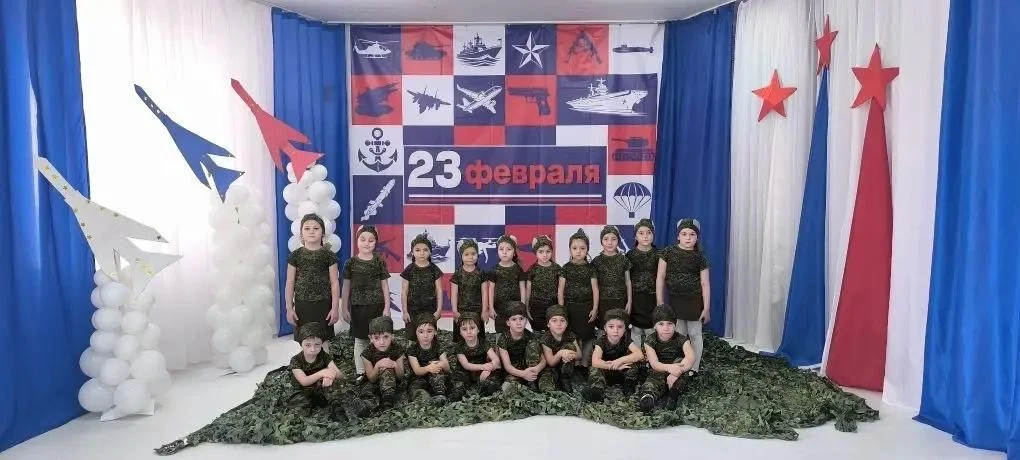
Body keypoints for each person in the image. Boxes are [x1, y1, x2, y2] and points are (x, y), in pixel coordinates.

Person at [284, 322, 371, 422]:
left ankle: (338, 410)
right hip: (301, 391)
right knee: (297, 414)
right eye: (308, 345)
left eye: (317, 345)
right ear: (301, 344)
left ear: (322, 343)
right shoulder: (296, 360)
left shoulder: (324, 355)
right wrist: (323, 372)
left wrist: (330, 375)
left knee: (336, 388)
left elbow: (340, 375)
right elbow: (304, 381)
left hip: (320, 390)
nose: (313, 349)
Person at [656, 218, 710, 372]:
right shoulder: (667, 252)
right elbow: (660, 276)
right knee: (679, 333)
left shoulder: (700, 257)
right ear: (678, 236)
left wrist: (706, 308)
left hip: (694, 301)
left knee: (694, 334)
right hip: (675, 300)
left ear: (697, 237)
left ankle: (694, 367)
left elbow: (705, 283)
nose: (688, 238)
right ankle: (681, 364)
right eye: (684, 234)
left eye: (692, 234)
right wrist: (659, 300)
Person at [341, 225, 391, 379]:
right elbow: (346, 286)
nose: (366, 243)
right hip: (358, 308)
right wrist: (344, 308)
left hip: (377, 307)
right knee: (361, 340)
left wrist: (387, 307)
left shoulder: (379, 261)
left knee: (377, 339)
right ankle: (361, 372)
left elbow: (384, 285)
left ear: (376, 242)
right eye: (362, 239)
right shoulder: (350, 263)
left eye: (371, 240)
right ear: (357, 241)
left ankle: (378, 369)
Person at [285, 214, 340, 352]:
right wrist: (289, 308)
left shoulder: (329, 255)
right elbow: (290, 282)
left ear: (323, 233)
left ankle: (325, 364)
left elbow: (334, 282)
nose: (311, 231)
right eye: (307, 228)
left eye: (316, 228)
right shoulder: (295, 255)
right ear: (301, 233)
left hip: (323, 305)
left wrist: (335, 308)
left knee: (323, 342)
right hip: (302, 305)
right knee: (305, 341)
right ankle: (306, 364)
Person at [637, 305, 695, 412]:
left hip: (677, 370)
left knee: (681, 362)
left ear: (675, 325)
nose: (666, 328)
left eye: (670, 324)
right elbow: (654, 364)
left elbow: (690, 357)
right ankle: (648, 398)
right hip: (659, 369)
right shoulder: (650, 341)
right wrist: (669, 368)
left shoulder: (682, 339)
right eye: (661, 324)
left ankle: (673, 395)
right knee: (650, 384)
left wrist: (676, 372)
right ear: (655, 326)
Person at [582, 309, 643, 402]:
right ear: (605, 328)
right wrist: (613, 365)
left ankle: (628, 386)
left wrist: (620, 361)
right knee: (595, 370)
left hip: (620, 370)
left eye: (620, 327)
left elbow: (639, 354)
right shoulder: (601, 341)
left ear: (625, 329)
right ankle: (597, 389)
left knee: (633, 365)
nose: (615, 331)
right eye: (611, 326)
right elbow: (595, 362)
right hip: (606, 370)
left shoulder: (626, 339)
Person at [558, 228, 598, 366]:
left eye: (582, 248)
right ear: (570, 249)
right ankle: (574, 365)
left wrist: (595, 309)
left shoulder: (591, 268)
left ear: (587, 249)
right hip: (570, 308)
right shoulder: (565, 268)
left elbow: (595, 290)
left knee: (587, 337)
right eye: (574, 248)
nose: (578, 251)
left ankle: (585, 365)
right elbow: (560, 291)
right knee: (573, 337)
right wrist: (562, 311)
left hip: (587, 308)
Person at [497, 302, 552, 392]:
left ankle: (532, 382)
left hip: (531, 368)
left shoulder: (531, 336)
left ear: (526, 320)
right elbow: (508, 366)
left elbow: (543, 360)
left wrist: (537, 369)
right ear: (508, 322)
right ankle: (526, 384)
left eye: (521, 319)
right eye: (514, 319)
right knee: (507, 388)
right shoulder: (504, 338)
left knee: (533, 344)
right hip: (515, 371)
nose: (518, 323)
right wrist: (523, 374)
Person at [400, 232, 443, 339]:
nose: (422, 253)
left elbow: (439, 290)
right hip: (412, 311)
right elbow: (404, 291)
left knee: (428, 337)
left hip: (430, 310)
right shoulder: (409, 270)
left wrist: (439, 310)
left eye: (425, 250)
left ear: (430, 252)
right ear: (412, 252)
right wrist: (405, 311)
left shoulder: (434, 269)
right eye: (418, 250)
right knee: (411, 338)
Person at [451, 311, 502, 398]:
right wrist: (483, 366)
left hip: (481, 372)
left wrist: (488, 369)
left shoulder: (484, 343)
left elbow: (496, 360)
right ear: (459, 332)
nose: (468, 332)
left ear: (478, 329)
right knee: (458, 387)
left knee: (492, 385)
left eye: (472, 328)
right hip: (465, 372)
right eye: (464, 329)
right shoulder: (459, 346)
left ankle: (482, 389)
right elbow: (466, 365)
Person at [591, 225, 632, 329]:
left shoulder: (624, 260)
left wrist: (629, 301)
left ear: (618, 241)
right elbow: (594, 286)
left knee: (619, 327)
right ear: (601, 241)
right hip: (603, 302)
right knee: (603, 328)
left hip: (620, 301)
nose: (610, 243)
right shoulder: (596, 261)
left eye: (613, 239)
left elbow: (628, 282)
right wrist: (595, 307)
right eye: (606, 239)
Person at [360, 316, 405, 410]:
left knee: (388, 371)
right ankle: (367, 406)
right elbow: (372, 379)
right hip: (374, 382)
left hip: (393, 382)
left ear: (392, 336)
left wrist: (395, 365)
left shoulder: (397, 349)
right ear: (370, 338)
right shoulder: (367, 353)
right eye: (376, 338)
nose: (382, 342)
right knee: (367, 393)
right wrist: (378, 365)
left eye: (386, 337)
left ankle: (388, 402)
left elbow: (400, 376)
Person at [406, 313, 451, 404]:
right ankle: (422, 397)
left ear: (435, 332)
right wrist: (428, 368)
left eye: (429, 331)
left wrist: (441, 364)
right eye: (421, 332)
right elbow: (417, 371)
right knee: (416, 388)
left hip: (435, 376)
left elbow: (447, 368)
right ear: (415, 333)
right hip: (418, 378)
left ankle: (440, 394)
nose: (425, 335)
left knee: (438, 372)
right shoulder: (412, 349)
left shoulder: (438, 346)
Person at [627, 218, 658, 346]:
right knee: (636, 330)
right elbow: (627, 281)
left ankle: (651, 355)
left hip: (652, 300)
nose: (645, 236)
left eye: (649, 232)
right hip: (636, 300)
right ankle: (636, 355)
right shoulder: (629, 256)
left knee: (651, 331)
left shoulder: (659, 255)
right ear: (635, 236)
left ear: (653, 234)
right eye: (641, 233)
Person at [486, 234, 526, 333]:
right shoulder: (494, 269)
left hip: (515, 309)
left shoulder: (518, 269)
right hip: (499, 309)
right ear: (497, 251)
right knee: (500, 333)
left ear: (514, 252)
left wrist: (523, 306)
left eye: (508, 249)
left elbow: (522, 288)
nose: (504, 252)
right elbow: (491, 290)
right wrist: (491, 308)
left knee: (515, 332)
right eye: (501, 249)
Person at [540, 305, 581, 393]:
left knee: (570, 346)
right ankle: (556, 380)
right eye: (554, 320)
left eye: (562, 320)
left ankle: (565, 379)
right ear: (548, 324)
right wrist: (561, 353)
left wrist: (569, 354)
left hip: (565, 367)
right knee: (546, 388)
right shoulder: (546, 338)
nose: (559, 324)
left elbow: (579, 356)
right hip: (550, 369)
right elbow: (551, 362)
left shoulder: (570, 335)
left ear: (566, 324)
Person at [450, 239, 486, 333]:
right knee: (461, 335)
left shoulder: (481, 273)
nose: (470, 257)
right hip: (461, 311)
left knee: (477, 336)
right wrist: (455, 311)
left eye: (473, 254)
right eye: (466, 254)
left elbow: (484, 293)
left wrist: (484, 310)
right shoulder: (457, 274)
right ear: (461, 256)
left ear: (477, 255)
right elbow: (454, 294)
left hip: (477, 311)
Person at [525, 235, 560, 332]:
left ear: (552, 251)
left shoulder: (557, 268)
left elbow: (561, 289)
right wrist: (526, 307)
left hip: (553, 307)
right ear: (535, 252)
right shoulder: (532, 269)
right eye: (541, 252)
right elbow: (528, 291)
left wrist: (560, 307)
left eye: (548, 251)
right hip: (536, 308)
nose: (545, 255)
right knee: (537, 332)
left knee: (552, 332)